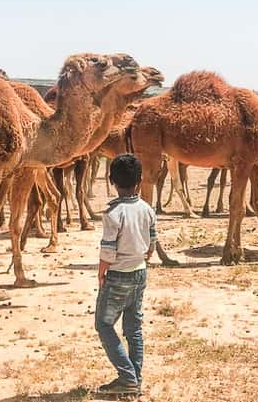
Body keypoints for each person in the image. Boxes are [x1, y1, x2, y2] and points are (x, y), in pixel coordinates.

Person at [95, 153, 156, 395]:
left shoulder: (113, 213)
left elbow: (107, 251)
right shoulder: (147, 209)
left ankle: (127, 376)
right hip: (140, 274)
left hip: (117, 276)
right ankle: (135, 379)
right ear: (140, 180)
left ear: (112, 181)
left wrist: (101, 273)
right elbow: (152, 244)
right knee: (134, 329)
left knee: (103, 324)